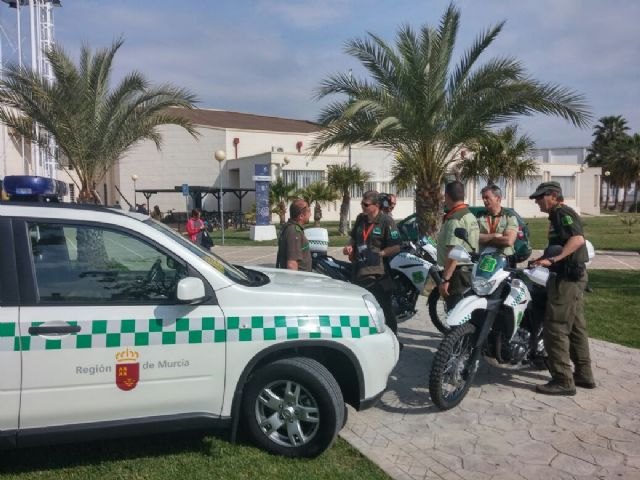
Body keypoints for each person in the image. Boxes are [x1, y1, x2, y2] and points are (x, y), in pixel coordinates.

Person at [529, 181, 595, 396]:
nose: (537, 201)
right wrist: (543, 259)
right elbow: (561, 243)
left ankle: (562, 380)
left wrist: (555, 259)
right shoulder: (557, 214)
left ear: (553, 195)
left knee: (555, 327)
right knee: (576, 327)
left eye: (541, 197)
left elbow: (577, 240)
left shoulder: (561, 212)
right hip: (573, 275)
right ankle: (584, 375)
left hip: (566, 277)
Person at [343, 191, 402, 335]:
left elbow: (396, 247)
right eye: (362, 203)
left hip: (378, 273)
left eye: (366, 204)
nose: (363, 207)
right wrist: (349, 246)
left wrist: (379, 254)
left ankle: (393, 338)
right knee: (360, 307)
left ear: (376, 205)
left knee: (383, 308)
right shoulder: (360, 219)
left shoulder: (386, 221)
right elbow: (353, 238)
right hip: (358, 270)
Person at [437, 181, 479, 310]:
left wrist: (445, 280)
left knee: (455, 317)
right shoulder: (470, 215)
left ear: (447, 196)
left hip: (456, 275)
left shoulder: (454, 219)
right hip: (469, 272)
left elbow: (453, 253)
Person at [477, 185, 518, 266]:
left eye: (487, 197)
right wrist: (494, 236)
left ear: (498, 198)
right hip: (484, 259)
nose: (484, 200)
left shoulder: (509, 216)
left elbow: (508, 241)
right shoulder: (479, 216)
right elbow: (473, 237)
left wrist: (484, 240)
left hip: (504, 259)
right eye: (483, 198)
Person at [275, 198, 312, 271]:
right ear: (301, 216)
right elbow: (292, 264)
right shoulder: (294, 232)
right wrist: (294, 282)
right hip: (299, 279)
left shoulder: (292, 228)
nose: (310, 214)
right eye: (308, 211)